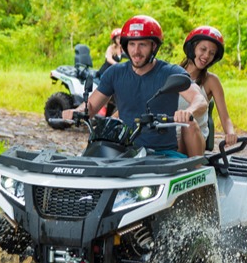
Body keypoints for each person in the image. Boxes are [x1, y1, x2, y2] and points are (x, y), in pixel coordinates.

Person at [62, 15, 207, 157]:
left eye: (142, 44)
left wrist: (189, 111)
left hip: (162, 154)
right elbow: (91, 107)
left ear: (154, 46)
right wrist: (76, 111)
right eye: (132, 44)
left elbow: (199, 100)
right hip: (124, 151)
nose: (136, 51)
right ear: (125, 46)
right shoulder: (115, 72)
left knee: (190, 125)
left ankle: (200, 173)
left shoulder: (170, 72)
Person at [178, 26, 237, 156]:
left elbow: (225, 117)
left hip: (194, 136)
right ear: (192, 48)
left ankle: (196, 169)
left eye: (211, 53)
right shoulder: (172, 73)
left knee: (188, 123)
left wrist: (230, 132)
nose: (206, 56)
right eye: (203, 49)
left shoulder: (211, 81)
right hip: (169, 137)